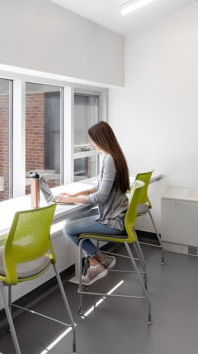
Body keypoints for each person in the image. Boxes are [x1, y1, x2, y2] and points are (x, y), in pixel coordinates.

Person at [60, 121, 130, 286]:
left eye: (92, 139)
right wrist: (76, 194)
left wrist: (71, 200)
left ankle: (95, 262)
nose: (91, 143)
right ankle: (101, 259)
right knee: (70, 221)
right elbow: (100, 186)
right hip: (114, 213)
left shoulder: (109, 160)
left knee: (67, 229)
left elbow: (100, 197)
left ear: (100, 139)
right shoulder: (113, 156)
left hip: (113, 220)